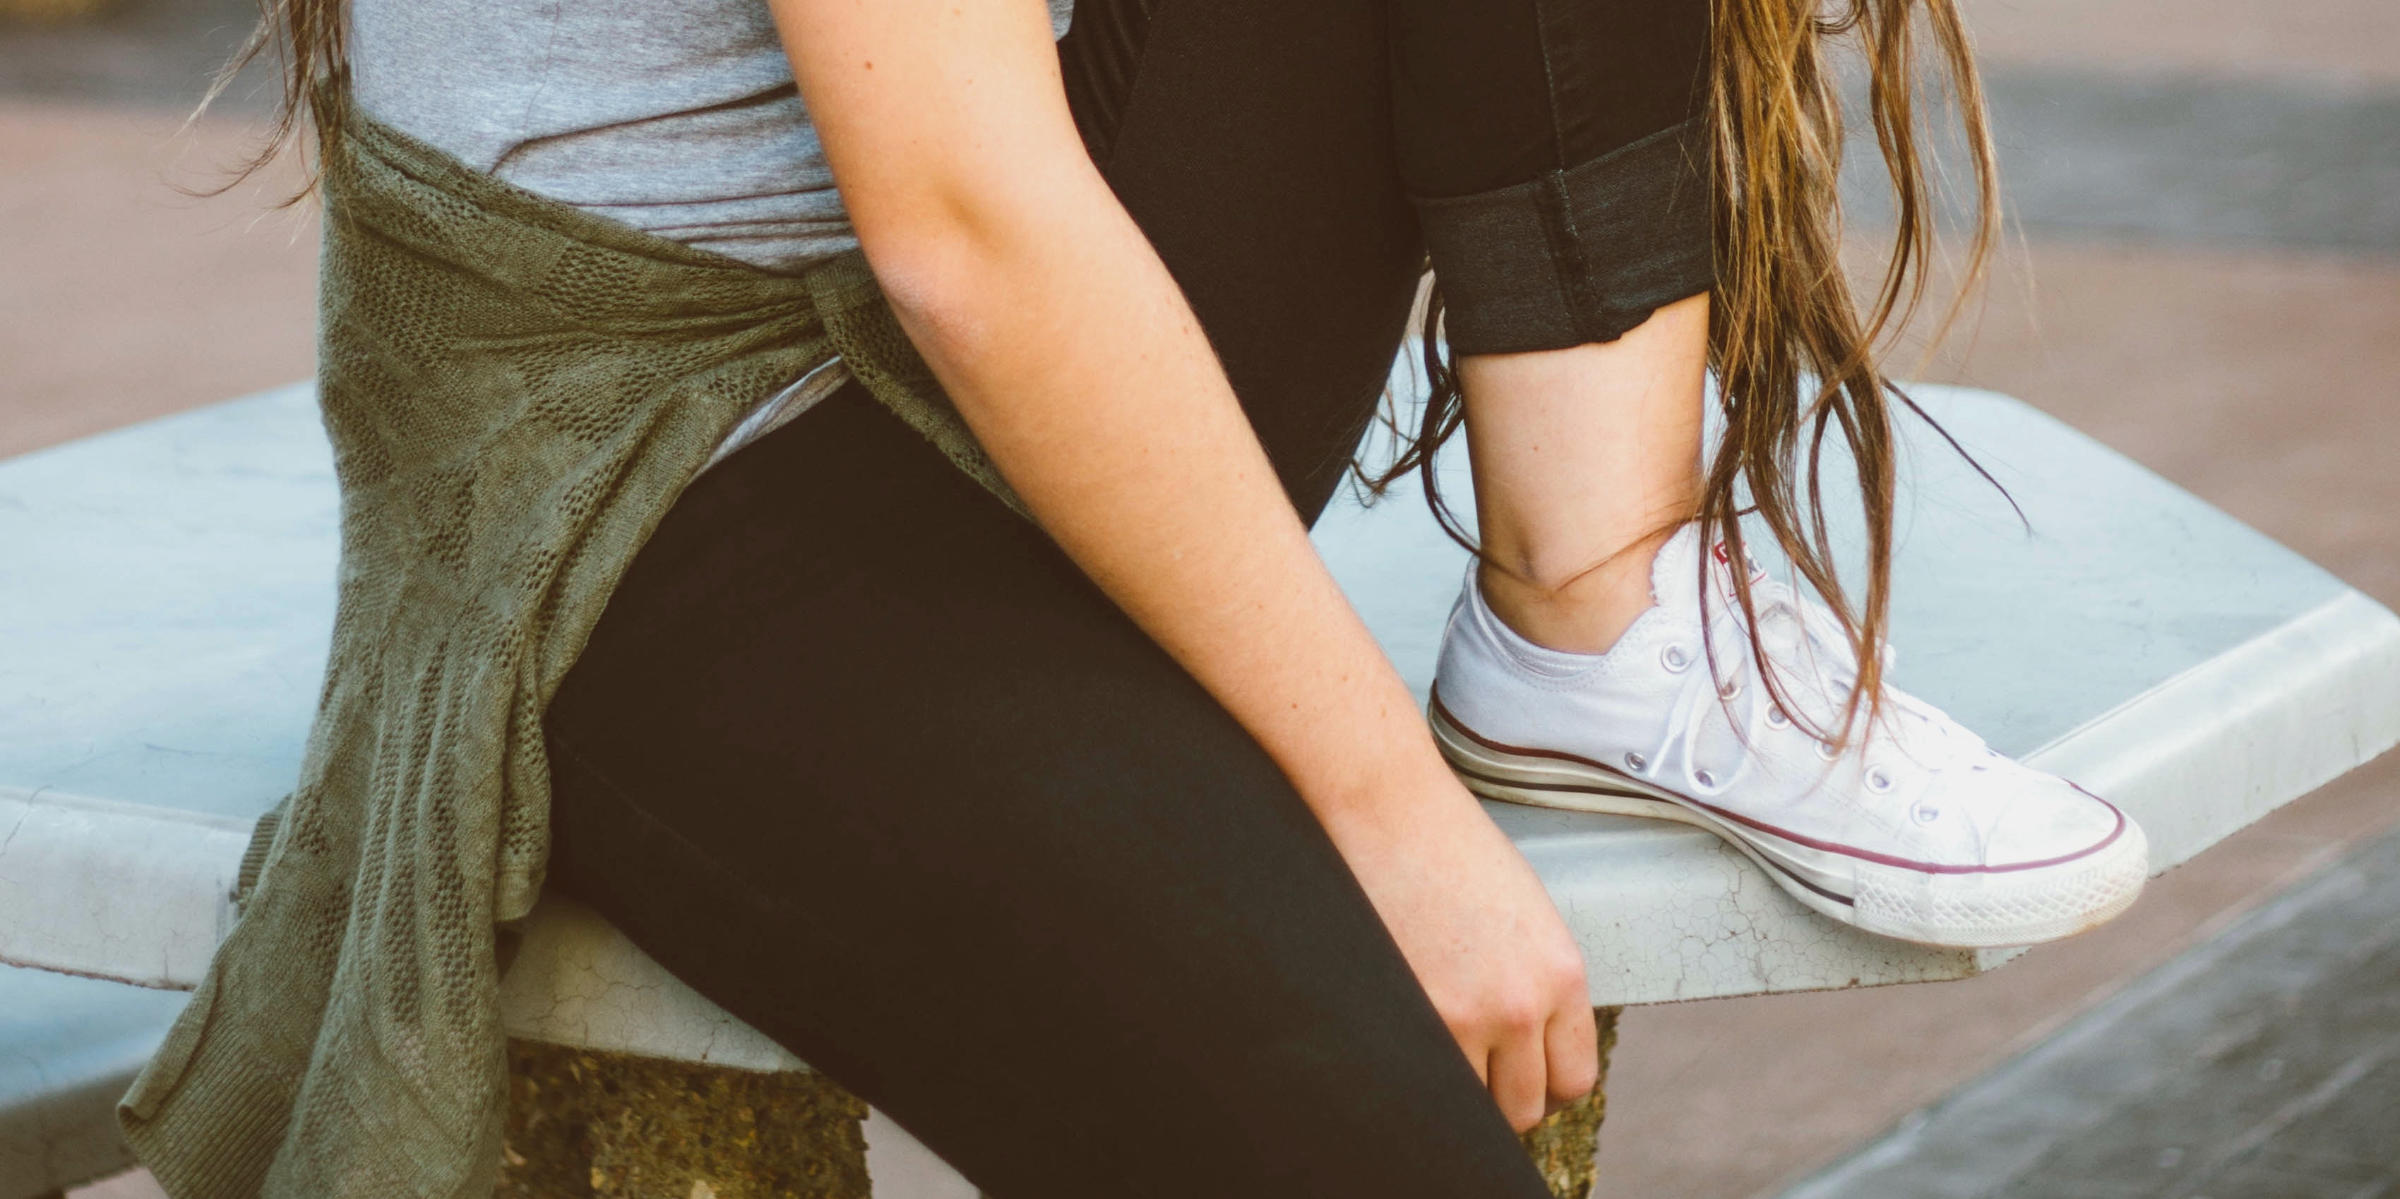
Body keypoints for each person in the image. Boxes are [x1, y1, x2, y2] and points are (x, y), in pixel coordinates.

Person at [123, 0, 2144, 1195]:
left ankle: (1597, 614)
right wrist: (1390, 815)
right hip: (670, 464)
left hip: (994, 338)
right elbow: (972, 237)